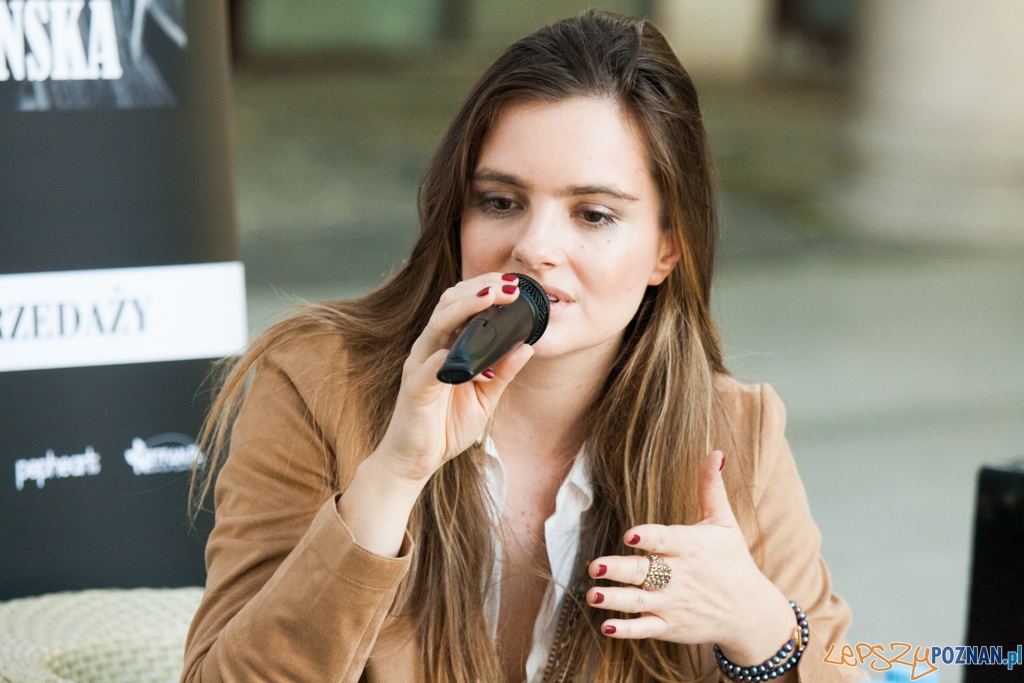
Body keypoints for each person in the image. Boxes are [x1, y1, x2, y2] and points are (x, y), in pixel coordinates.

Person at [182, 10, 860, 683]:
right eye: (501, 202)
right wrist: (392, 475)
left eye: (593, 214)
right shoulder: (315, 383)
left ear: (667, 247)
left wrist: (763, 629)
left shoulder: (737, 435)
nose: (534, 247)